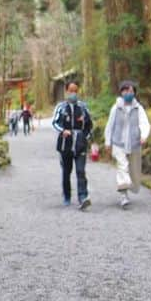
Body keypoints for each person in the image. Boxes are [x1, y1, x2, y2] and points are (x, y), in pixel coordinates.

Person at [104, 79, 151, 208]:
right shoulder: (116, 108)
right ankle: (123, 196)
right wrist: (108, 142)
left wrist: (143, 136)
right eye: (125, 90)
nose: (128, 93)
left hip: (134, 143)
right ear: (121, 92)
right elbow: (110, 126)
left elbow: (144, 123)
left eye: (130, 91)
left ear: (134, 93)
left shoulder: (138, 108)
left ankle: (128, 187)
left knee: (134, 171)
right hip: (118, 143)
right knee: (122, 166)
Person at [51, 82, 94, 210]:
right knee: (66, 171)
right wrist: (63, 131)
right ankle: (67, 195)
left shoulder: (83, 107)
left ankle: (83, 197)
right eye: (70, 90)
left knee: (81, 171)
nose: (73, 93)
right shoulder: (61, 107)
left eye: (75, 90)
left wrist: (85, 137)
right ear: (66, 91)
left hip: (80, 144)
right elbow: (54, 122)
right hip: (66, 144)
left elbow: (89, 125)